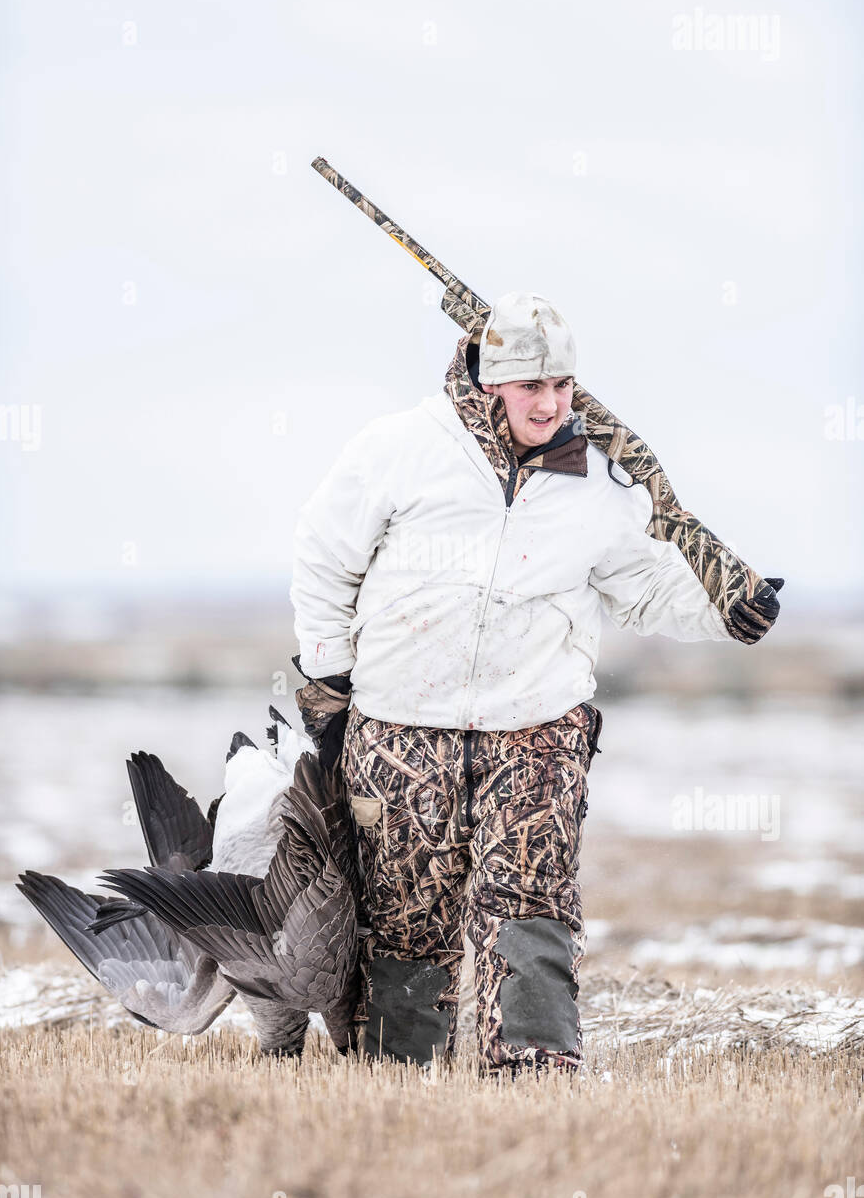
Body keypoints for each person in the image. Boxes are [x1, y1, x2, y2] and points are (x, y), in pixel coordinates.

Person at [289, 292, 750, 1074]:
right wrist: (330, 679)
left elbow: (639, 585)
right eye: (531, 386)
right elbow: (324, 561)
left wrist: (724, 607)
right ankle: (397, 1074)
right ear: (487, 383)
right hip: (402, 728)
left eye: (563, 385)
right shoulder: (398, 450)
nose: (550, 403)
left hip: (538, 728)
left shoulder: (595, 481)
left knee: (532, 905)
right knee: (404, 917)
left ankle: (533, 1069)